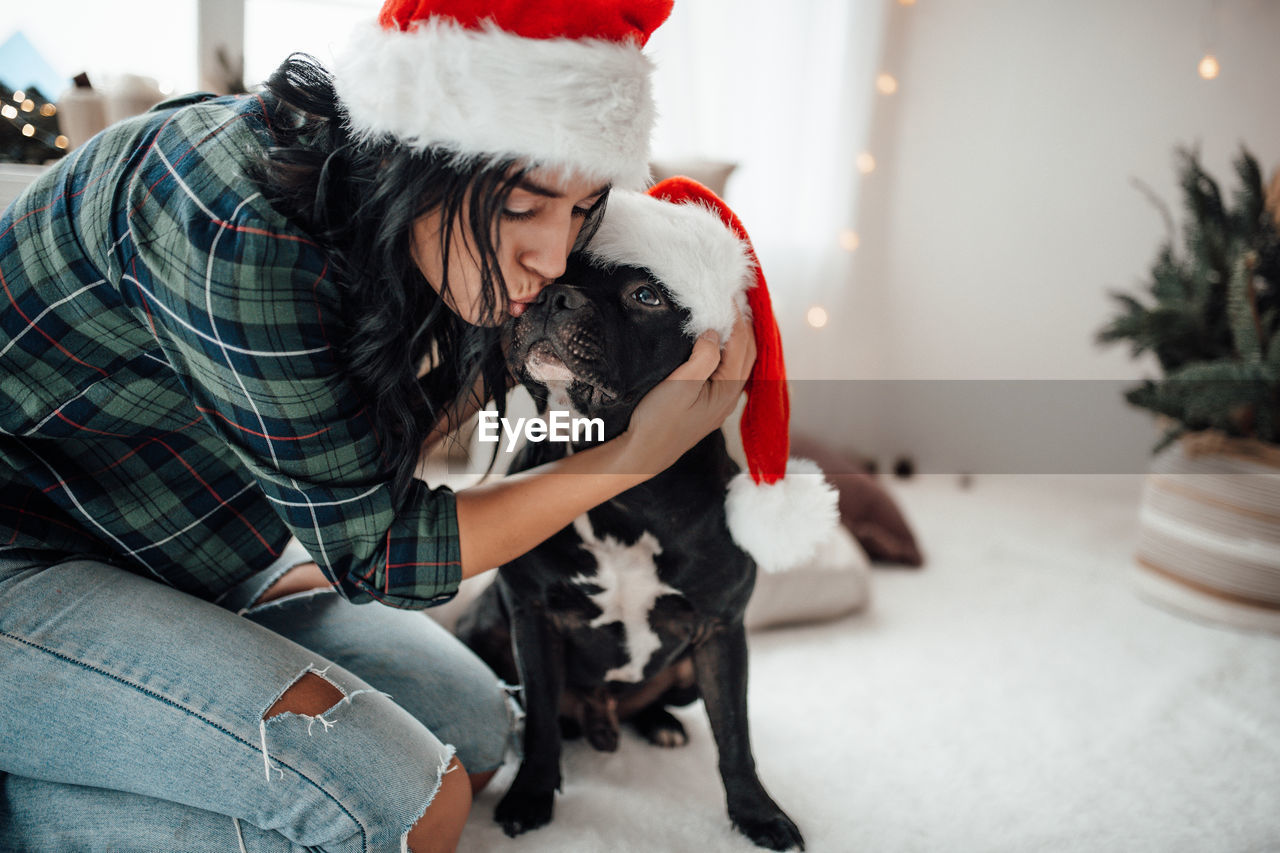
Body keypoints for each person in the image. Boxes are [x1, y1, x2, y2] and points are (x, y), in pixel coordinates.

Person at [0, 2, 756, 851]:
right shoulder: (236, 225)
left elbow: (368, 458)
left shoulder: (398, 223)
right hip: (26, 556)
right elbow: (384, 555)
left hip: (180, 549)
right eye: (521, 205)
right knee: (403, 812)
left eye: (581, 209)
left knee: (479, 735)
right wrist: (633, 454)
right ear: (417, 154)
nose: (552, 258)